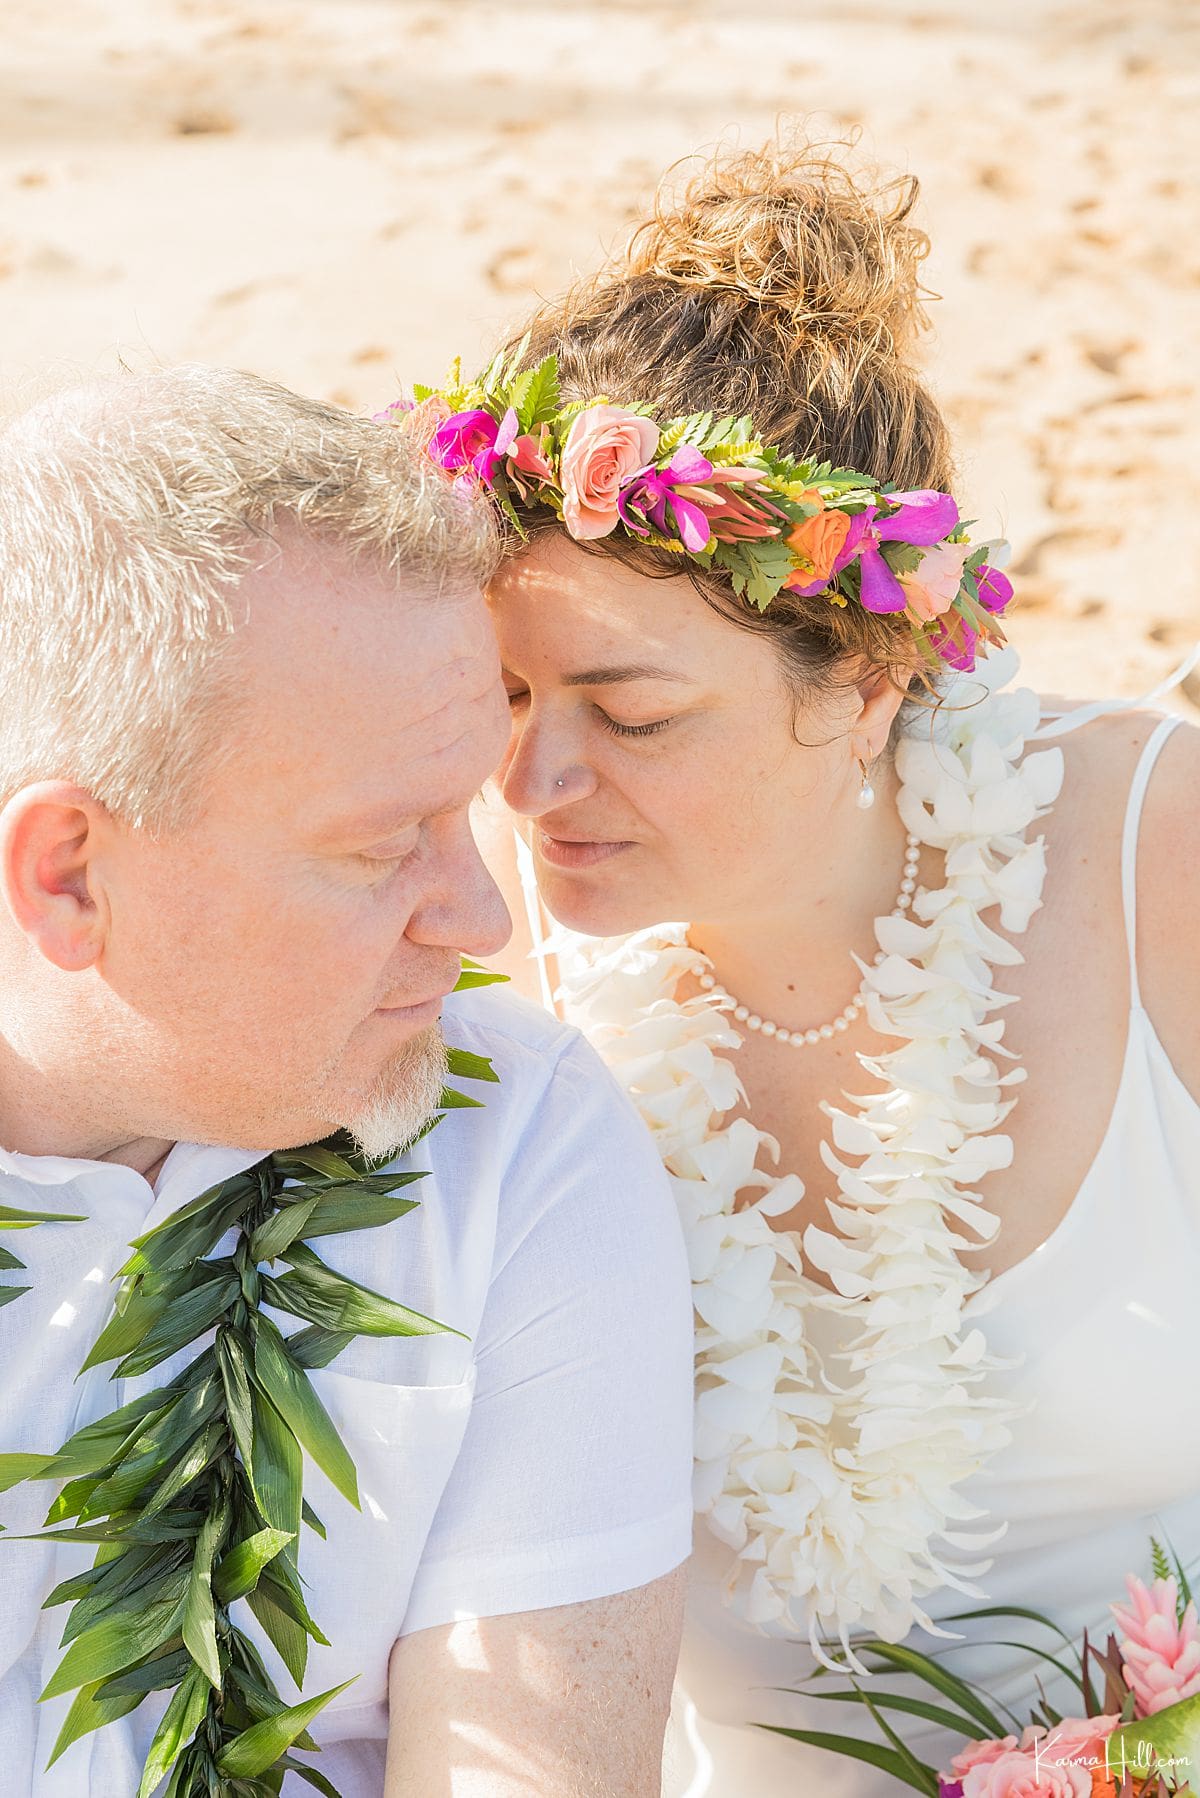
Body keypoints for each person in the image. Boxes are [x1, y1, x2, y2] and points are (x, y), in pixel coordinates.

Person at [419, 137, 1200, 1795]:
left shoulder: (1158, 848)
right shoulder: (461, 918)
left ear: (865, 678)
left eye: (630, 715)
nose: (529, 784)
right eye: (502, 693)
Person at [0, 365, 694, 1798]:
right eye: (386, 845)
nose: (481, 917)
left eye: (465, 812)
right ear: (70, 873)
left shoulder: (518, 1143)